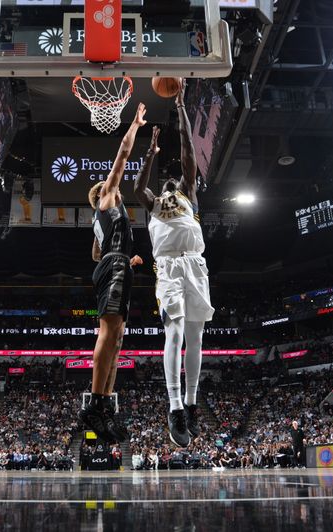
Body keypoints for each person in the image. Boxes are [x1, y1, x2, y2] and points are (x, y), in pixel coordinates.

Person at [133, 80, 214, 447]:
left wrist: (181, 107)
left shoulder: (189, 193)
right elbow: (137, 188)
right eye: (163, 181)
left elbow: (188, 153)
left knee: (196, 336)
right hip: (167, 268)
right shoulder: (152, 201)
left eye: (172, 178)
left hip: (196, 265)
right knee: (176, 332)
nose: (169, 181)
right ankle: (175, 407)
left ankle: (193, 404)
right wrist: (149, 152)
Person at [78, 103, 147, 443]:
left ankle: (105, 403)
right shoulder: (106, 199)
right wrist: (134, 125)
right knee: (109, 334)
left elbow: (95, 254)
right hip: (114, 265)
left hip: (115, 264)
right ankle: (94, 403)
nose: (117, 186)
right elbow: (122, 155)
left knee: (118, 340)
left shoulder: (103, 222)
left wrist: (123, 258)